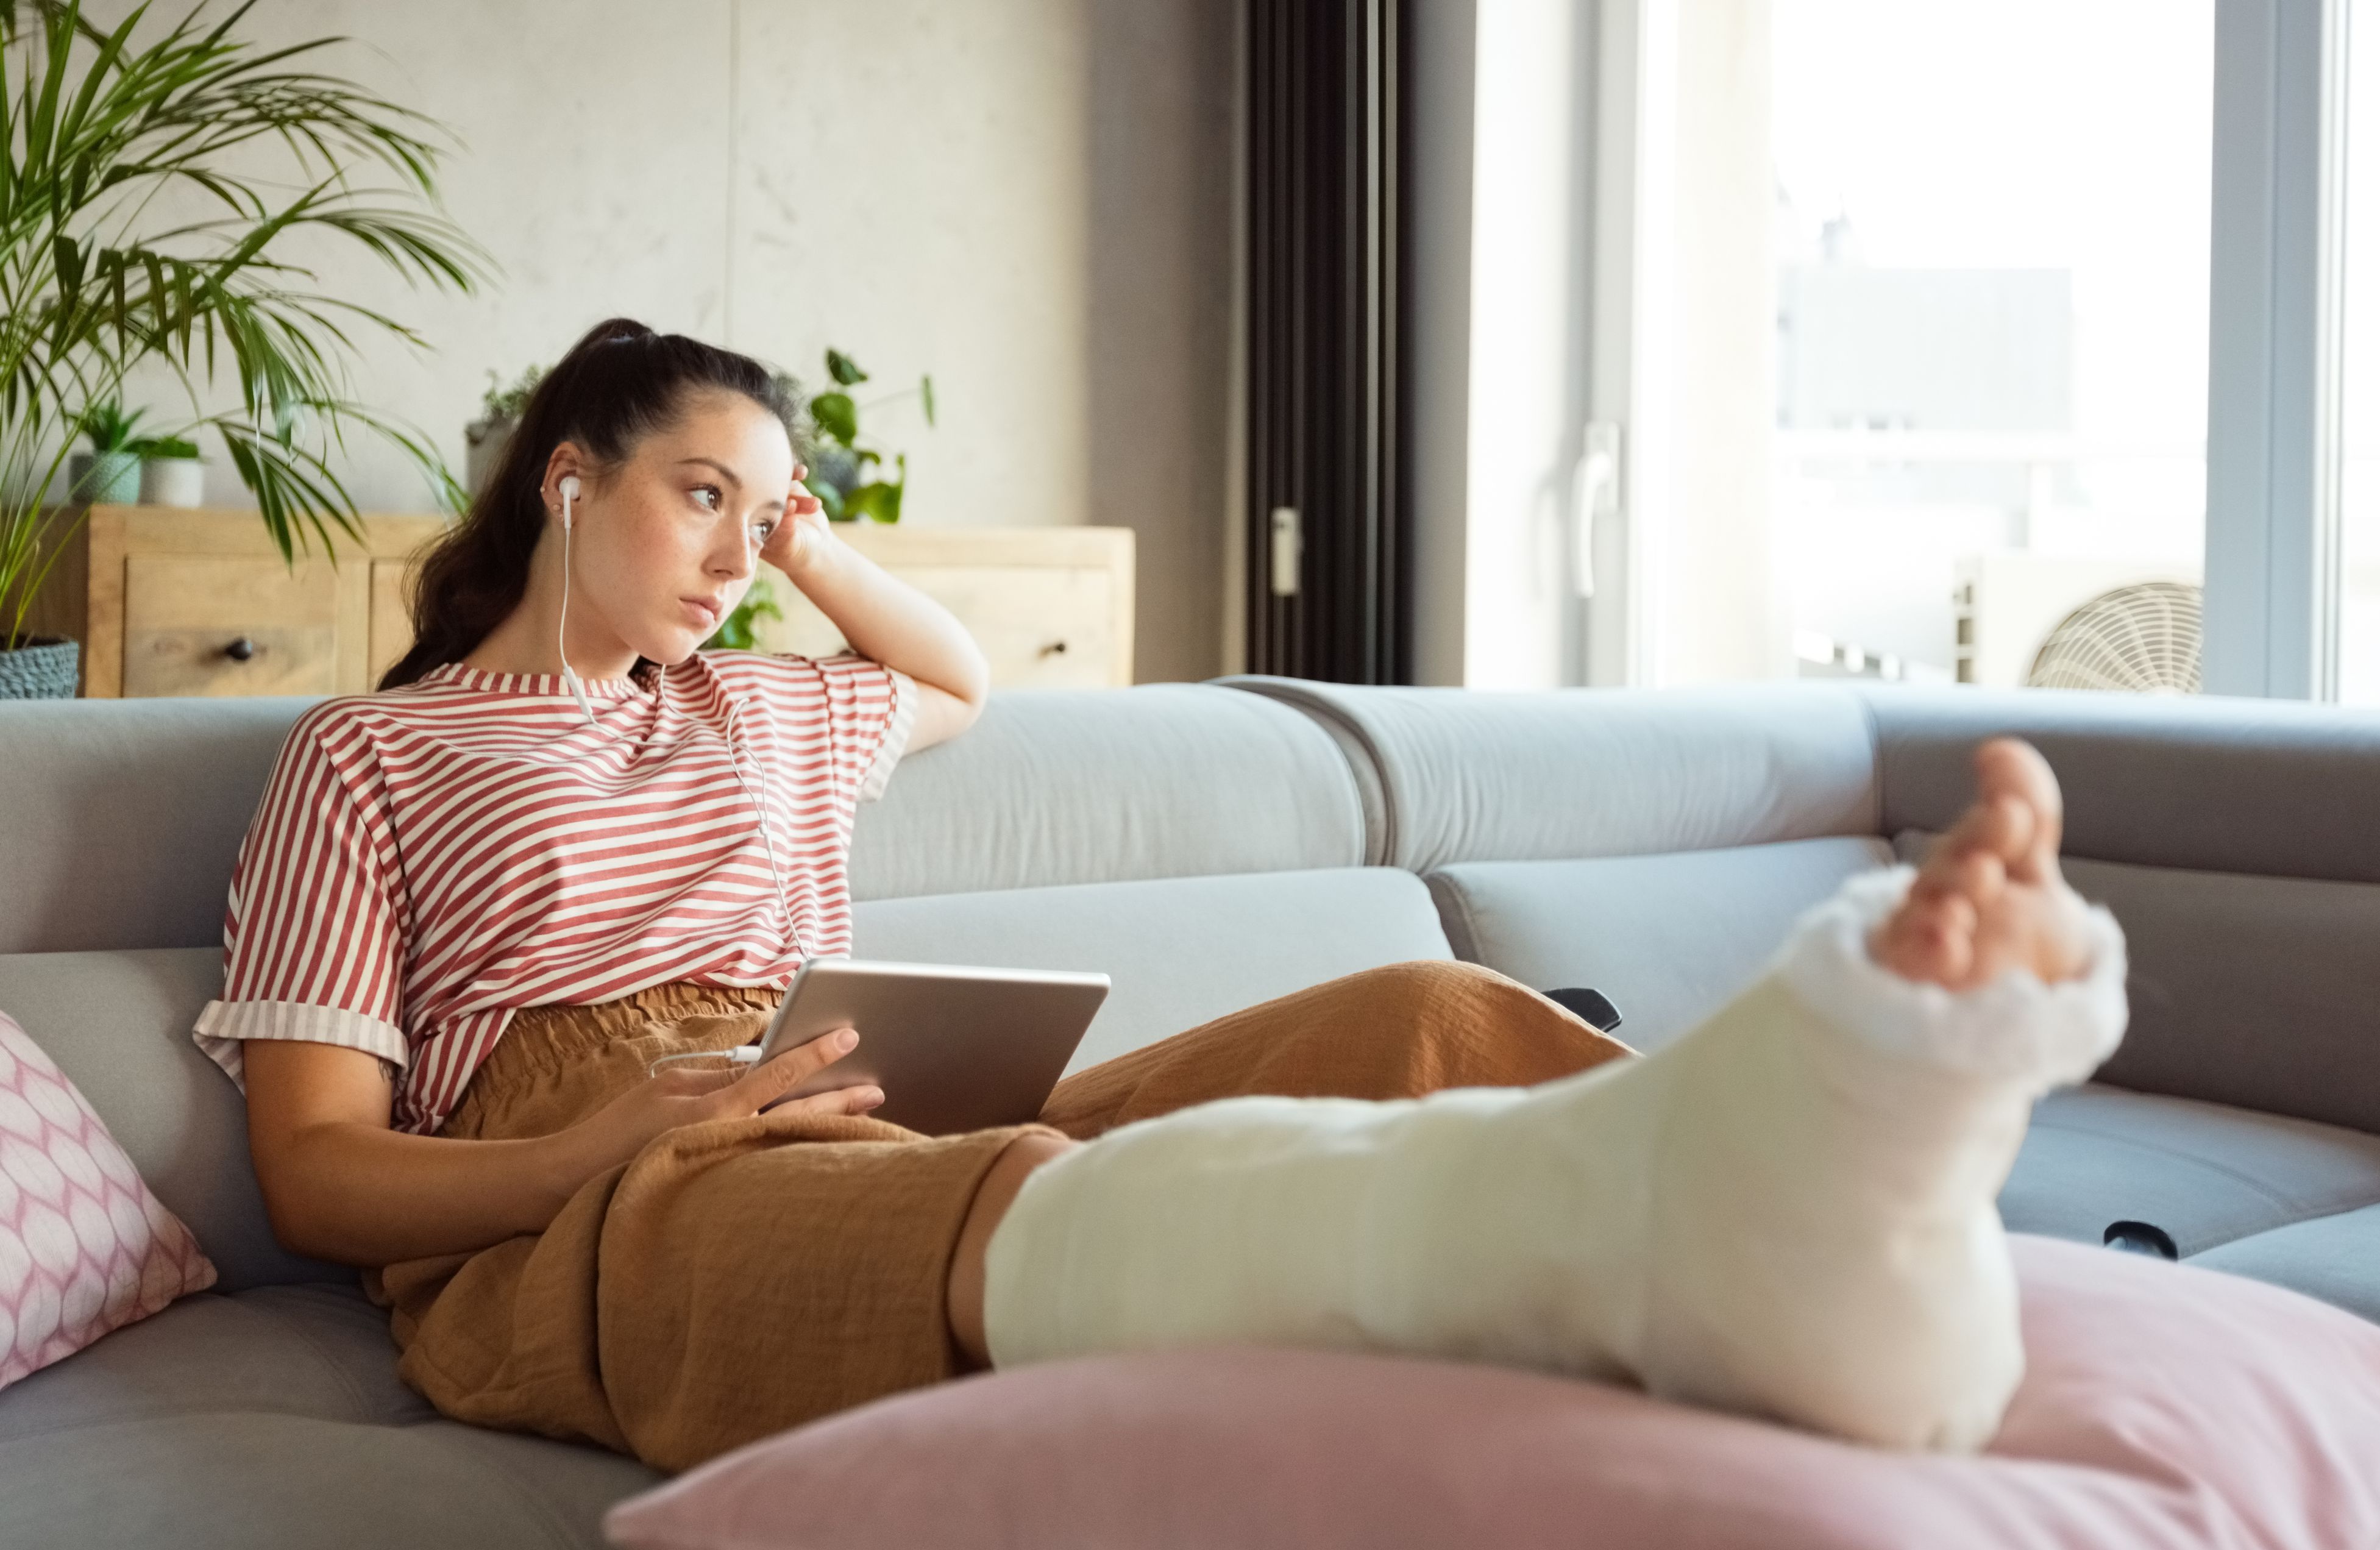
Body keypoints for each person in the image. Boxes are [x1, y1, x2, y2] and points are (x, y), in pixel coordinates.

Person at [194, 319, 2125, 1476]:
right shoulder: (363, 760)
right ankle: (1773, 1255)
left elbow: (954, 678)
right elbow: (319, 1173)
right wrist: (593, 1142)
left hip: (853, 1101)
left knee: (1420, 1020)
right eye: (699, 493)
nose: (736, 547)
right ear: (562, 480)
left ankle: (1829, 1181)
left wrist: (812, 540)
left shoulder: (776, 710)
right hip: (582, 1203)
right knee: (1030, 1200)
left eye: (761, 512)